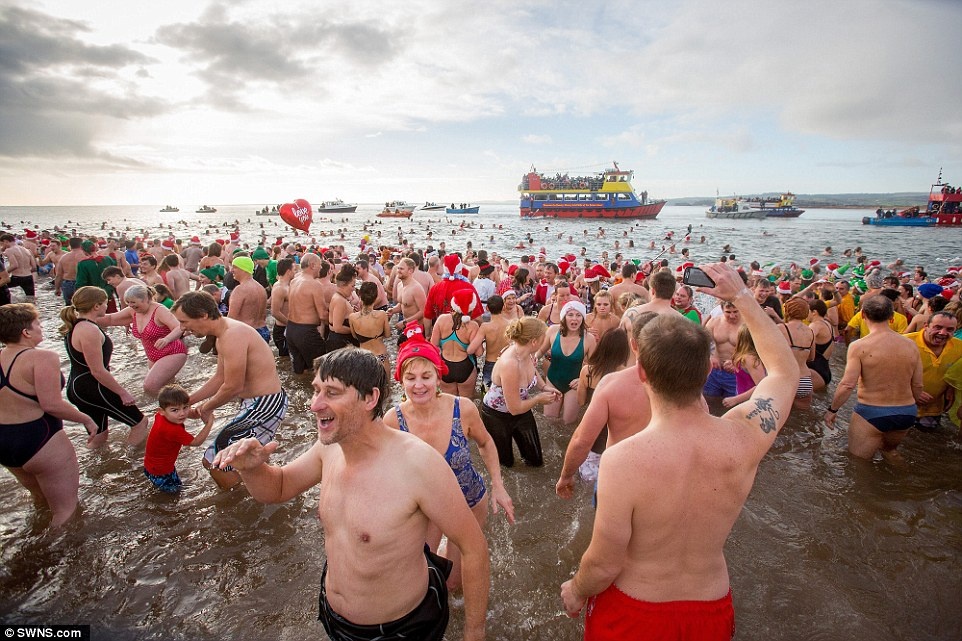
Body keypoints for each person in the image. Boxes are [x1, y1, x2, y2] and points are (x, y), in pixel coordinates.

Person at [560, 262, 798, 639]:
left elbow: (604, 564)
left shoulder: (622, 460)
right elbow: (785, 373)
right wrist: (742, 296)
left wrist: (575, 590)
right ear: (708, 370)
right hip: (711, 607)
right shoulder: (744, 438)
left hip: (635, 610)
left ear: (642, 374)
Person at [212, 348, 490, 641]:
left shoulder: (418, 464)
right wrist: (253, 469)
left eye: (332, 393)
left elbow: (474, 548)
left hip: (403, 627)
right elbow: (278, 488)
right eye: (316, 390)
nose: (314, 404)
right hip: (334, 617)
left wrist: (474, 632)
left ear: (370, 398)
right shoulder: (330, 448)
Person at [384, 330, 514, 588]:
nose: (418, 385)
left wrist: (498, 485)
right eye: (410, 378)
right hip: (425, 506)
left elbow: (486, 442)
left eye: (426, 376)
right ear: (401, 380)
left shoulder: (462, 409)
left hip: (468, 500)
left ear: (438, 376)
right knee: (420, 572)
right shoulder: (393, 420)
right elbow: (383, 470)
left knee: (453, 583)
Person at [172, 291, 287, 489]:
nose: (182, 328)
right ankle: (269, 493)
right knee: (246, 458)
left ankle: (245, 506)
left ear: (203, 315)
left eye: (184, 321)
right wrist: (188, 402)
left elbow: (234, 386)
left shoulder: (233, 334)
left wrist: (206, 408)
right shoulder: (223, 334)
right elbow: (219, 379)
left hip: (265, 404)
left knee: (216, 461)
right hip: (257, 403)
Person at [0, 303, 99, 528]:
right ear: (26, 332)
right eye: (37, 323)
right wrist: (86, 419)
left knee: (41, 501)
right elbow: (51, 404)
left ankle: (35, 540)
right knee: (66, 510)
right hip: (38, 436)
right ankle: (56, 558)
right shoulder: (43, 358)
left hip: (4, 441)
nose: (41, 327)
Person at [824, 296, 924, 461]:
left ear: (863, 315)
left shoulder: (859, 346)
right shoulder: (911, 344)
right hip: (906, 412)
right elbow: (918, 385)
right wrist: (908, 408)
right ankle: (904, 480)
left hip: (872, 411)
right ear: (892, 317)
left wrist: (832, 410)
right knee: (890, 452)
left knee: (859, 463)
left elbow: (847, 385)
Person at [61, 286, 149, 448]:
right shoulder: (89, 330)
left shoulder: (76, 325)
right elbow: (97, 370)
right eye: (104, 303)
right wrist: (122, 393)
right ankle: (132, 466)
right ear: (96, 306)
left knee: (99, 434)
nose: (106, 305)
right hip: (92, 387)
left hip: (78, 387)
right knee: (140, 422)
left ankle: (95, 470)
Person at [480, 317, 560, 467]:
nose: (546, 341)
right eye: (544, 337)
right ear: (534, 341)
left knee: (535, 461)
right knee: (506, 464)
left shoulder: (526, 352)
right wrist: (538, 399)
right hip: (497, 415)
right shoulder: (510, 364)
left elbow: (533, 370)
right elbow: (514, 408)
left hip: (521, 409)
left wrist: (544, 387)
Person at [97, 285, 188, 395]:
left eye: (133, 302)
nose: (130, 305)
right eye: (128, 302)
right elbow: (110, 319)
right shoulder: (133, 311)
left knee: (149, 387)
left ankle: (162, 408)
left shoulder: (159, 310)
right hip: (153, 356)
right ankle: (174, 405)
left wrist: (167, 339)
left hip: (172, 352)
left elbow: (179, 327)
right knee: (167, 388)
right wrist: (84, 317)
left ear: (146, 299)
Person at [143, 384, 214, 493]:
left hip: (153, 467)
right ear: (161, 410)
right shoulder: (170, 429)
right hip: (161, 471)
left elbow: (192, 414)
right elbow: (196, 442)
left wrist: (202, 409)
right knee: (174, 495)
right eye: (175, 410)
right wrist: (209, 424)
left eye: (185, 407)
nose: (182, 413)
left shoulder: (163, 415)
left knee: (165, 491)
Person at [540, 300, 597, 426]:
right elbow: (540, 351)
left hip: (574, 385)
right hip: (552, 382)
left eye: (578, 315)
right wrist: (532, 358)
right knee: (549, 422)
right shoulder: (553, 331)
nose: (574, 319)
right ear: (564, 317)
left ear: (583, 318)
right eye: (570, 315)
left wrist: (582, 379)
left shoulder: (589, 339)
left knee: (568, 425)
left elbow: (595, 367)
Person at [904, 310, 962, 430]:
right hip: (900, 404)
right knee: (894, 440)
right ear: (926, 325)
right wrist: (912, 390)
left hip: (932, 409)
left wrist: (951, 388)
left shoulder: (959, 347)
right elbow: (886, 373)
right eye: (938, 327)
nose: (943, 333)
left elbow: (957, 372)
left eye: (950, 329)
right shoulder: (905, 343)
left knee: (925, 442)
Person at [285, 253, 331, 375]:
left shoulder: (294, 280)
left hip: (291, 330)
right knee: (322, 370)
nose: (321, 268)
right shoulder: (315, 284)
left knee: (300, 372)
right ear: (312, 265)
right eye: (320, 265)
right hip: (306, 332)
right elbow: (322, 315)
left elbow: (302, 304)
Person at [431, 289, 481, 398]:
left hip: (444, 366)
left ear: (453, 304)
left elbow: (433, 346)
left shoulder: (441, 320)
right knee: (466, 405)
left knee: (448, 404)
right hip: (465, 366)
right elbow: (479, 353)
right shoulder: (472, 326)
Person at [467, 295, 512, 390]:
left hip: (490, 364)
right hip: (508, 363)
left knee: (488, 397)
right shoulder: (511, 324)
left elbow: (471, 349)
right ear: (503, 307)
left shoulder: (485, 327)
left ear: (487, 308)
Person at [349, 281, 392, 378]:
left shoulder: (352, 317)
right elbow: (388, 335)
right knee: (386, 388)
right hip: (381, 356)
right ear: (376, 297)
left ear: (360, 295)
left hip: (364, 357)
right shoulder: (382, 314)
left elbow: (354, 336)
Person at [779, 297, 815, 410]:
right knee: (803, 416)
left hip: (786, 379)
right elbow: (812, 357)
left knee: (783, 418)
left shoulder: (781, 328)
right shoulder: (810, 331)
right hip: (805, 380)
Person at [722, 324, 767, 408]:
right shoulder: (746, 356)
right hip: (745, 401)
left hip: (751, 403)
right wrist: (735, 364)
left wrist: (736, 399)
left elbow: (762, 386)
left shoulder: (750, 358)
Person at [227, 255, 270, 343]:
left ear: (243, 269)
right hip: (263, 331)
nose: (231, 270)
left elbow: (231, 318)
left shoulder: (240, 289)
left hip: (247, 333)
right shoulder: (261, 288)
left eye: (235, 267)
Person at [807, 299, 835, 390]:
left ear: (814, 312)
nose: (806, 314)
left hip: (815, 371)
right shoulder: (828, 324)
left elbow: (803, 344)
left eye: (808, 311)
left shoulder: (815, 326)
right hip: (825, 371)